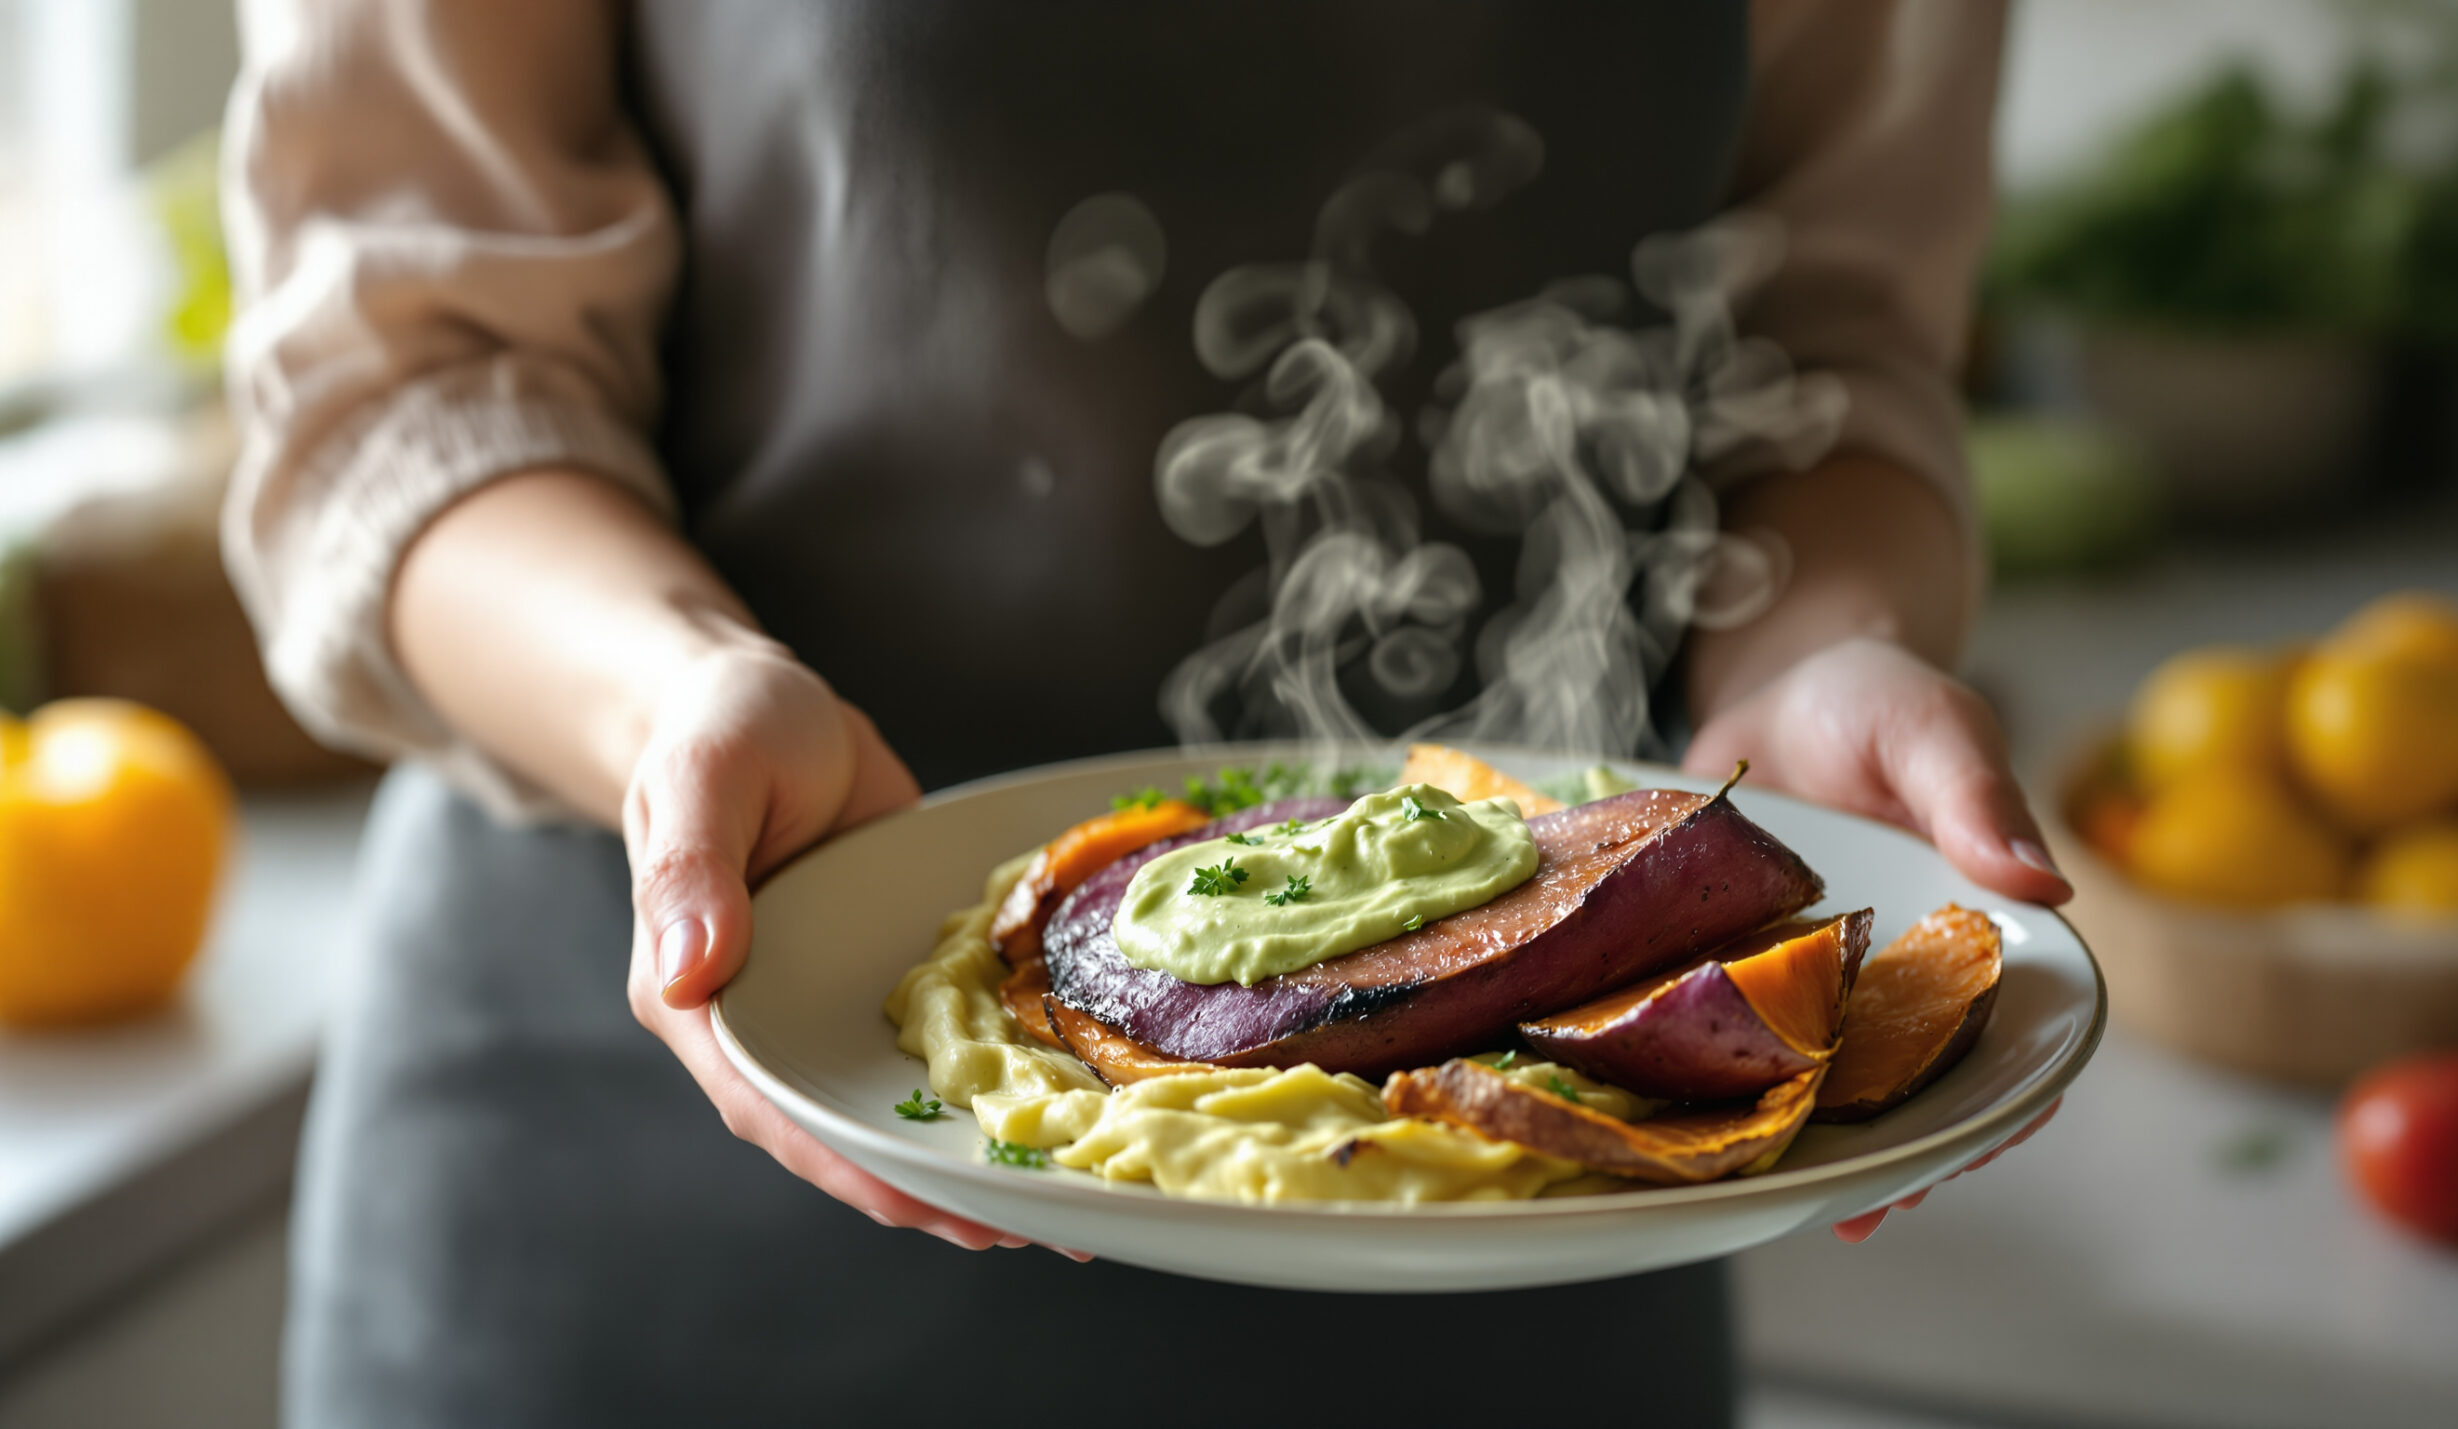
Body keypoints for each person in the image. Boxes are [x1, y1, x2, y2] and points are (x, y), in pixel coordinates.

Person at [223, 2, 2065, 1425]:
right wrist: (677, 693)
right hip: (655, 1188)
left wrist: (1807, 662)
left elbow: (1828, 349)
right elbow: (413, 389)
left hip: (1527, 1218)